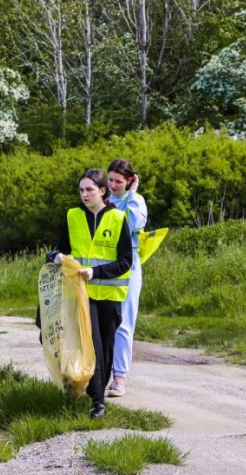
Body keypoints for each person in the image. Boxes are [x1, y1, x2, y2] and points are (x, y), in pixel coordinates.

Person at [52, 169, 132, 419]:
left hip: (110, 296)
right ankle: (97, 402)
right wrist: (56, 257)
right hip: (82, 296)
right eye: (81, 190)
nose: (84, 194)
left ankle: (95, 393)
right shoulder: (72, 216)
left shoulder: (118, 218)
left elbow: (125, 262)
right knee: (92, 345)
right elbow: (61, 250)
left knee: (106, 348)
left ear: (102, 191)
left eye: (89, 189)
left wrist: (96, 271)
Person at [105, 159, 147, 398]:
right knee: (102, 321)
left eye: (118, 181)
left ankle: (119, 377)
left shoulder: (136, 201)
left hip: (128, 263)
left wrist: (131, 195)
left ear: (130, 181)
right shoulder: (105, 200)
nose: (113, 185)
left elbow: (133, 223)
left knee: (124, 322)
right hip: (104, 263)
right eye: (110, 180)